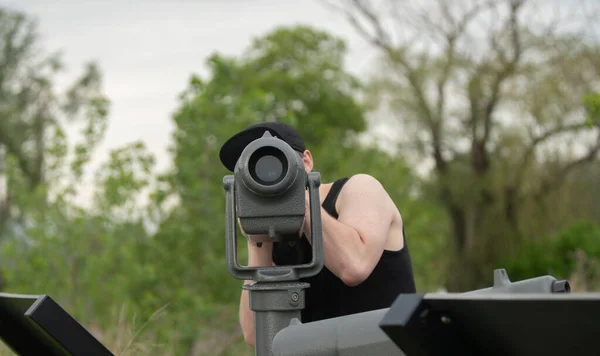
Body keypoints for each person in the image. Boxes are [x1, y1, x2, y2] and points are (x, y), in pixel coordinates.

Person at [219, 121, 417, 347]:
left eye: (276, 161)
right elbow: (256, 335)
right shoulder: (274, 234)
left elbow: (354, 266)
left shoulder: (360, 189)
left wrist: (296, 199)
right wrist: (257, 240)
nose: (264, 179)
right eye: (251, 171)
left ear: (306, 161)